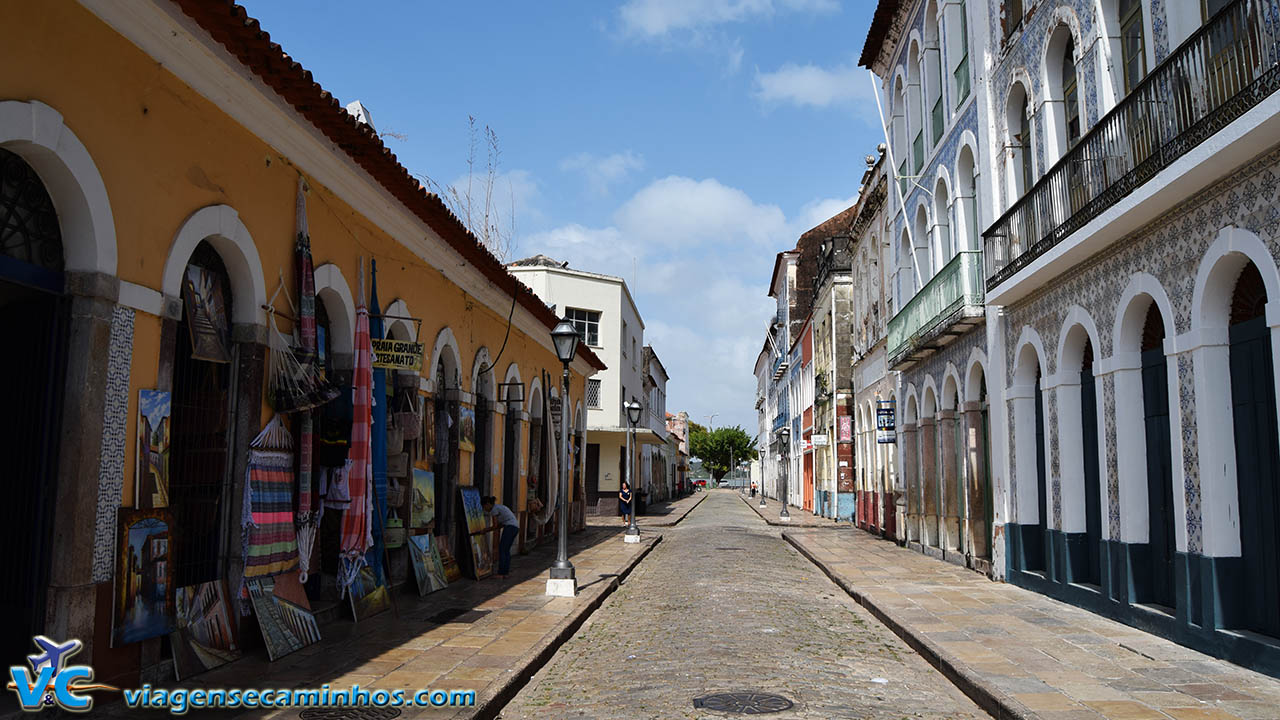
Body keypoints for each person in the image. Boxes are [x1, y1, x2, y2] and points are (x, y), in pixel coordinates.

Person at [481, 496, 520, 579]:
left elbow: (495, 526)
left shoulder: (494, 510)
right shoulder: (499, 507)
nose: (485, 509)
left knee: (502, 550)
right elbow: (499, 524)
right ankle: (505, 572)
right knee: (505, 550)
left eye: (484, 507)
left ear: (488, 504)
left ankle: (501, 573)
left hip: (510, 528)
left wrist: (485, 530)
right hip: (514, 527)